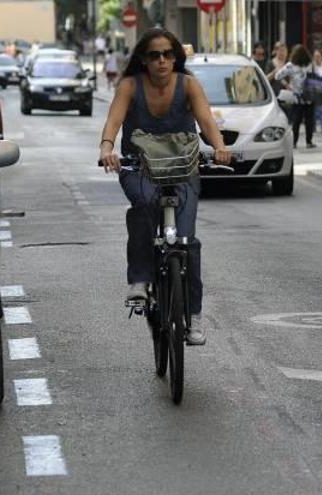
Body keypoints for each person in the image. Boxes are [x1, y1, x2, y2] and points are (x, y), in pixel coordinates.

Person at [98, 28, 231, 345]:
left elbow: (207, 121)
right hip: (139, 165)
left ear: (176, 58)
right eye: (154, 55)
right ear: (143, 60)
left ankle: (194, 317)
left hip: (183, 166)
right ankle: (140, 280)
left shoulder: (189, 85)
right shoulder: (130, 86)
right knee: (144, 204)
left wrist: (220, 146)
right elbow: (114, 122)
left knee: (188, 242)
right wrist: (106, 149)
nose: (161, 61)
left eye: (168, 55)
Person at [275, 45, 316, 149]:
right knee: (309, 121)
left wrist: (286, 84)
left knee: (296, 121)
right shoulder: (310, 64)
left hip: (297, 98)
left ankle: (294, 142)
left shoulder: (290, 66)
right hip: (309, 97)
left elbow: (277, 76)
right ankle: (309, 141)